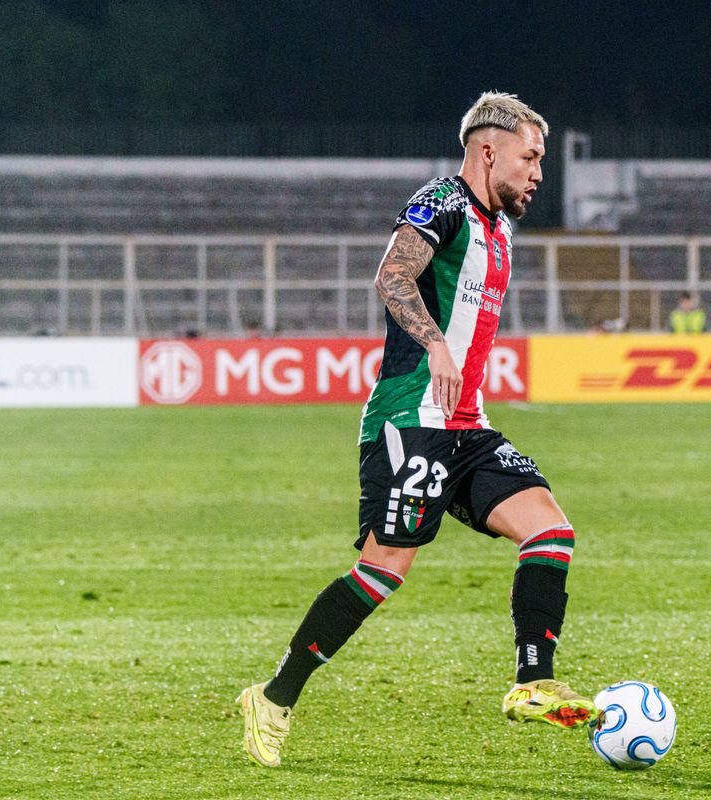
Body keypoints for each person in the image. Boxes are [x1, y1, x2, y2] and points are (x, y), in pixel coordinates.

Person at [238, 92, 598, 768]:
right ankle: (274, 696)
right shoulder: (444, 202)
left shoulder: (502, 228)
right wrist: (434, 344)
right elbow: (393, 275)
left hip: (467, 426)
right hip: (410, 419)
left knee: (550, 531)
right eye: (531, 156)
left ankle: (532, 682)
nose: (540, 172)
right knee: (383, 569)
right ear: (488, 150)